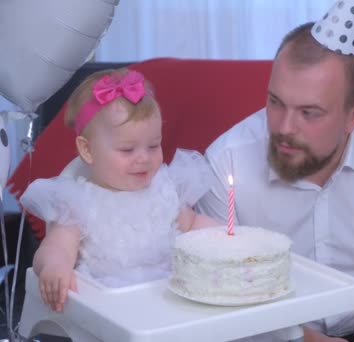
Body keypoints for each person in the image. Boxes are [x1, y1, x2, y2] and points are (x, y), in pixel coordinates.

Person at [196, 1, 354, 341]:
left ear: (353, 116)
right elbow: (222, 296)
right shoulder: (226, 161)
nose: (284, 127)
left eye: (309, 113)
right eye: (275, 102)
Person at [20, 68, 218, 312]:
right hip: (110, 308)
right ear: (88, 150)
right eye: (127, 150)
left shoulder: (164, 190)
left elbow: (193, 224)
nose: (144, 158)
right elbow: (56, 247)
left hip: (169, 298)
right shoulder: (79, 203)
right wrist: (54, 266)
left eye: (154, 146)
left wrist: (229, 238)